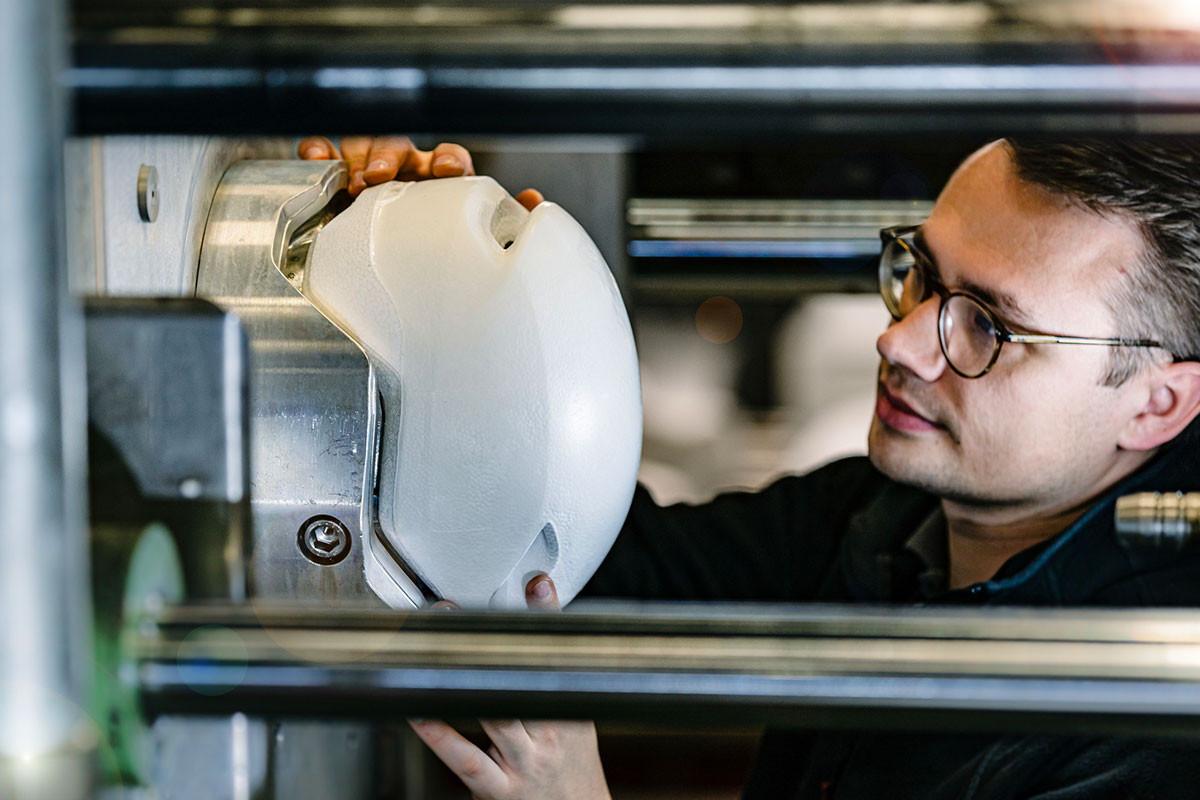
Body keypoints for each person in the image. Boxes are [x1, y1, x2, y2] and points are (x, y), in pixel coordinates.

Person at [301, 135, 1200, 799]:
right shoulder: (896, 514)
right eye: (921, 275)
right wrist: (449, 306)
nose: (898, 341)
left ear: (1159, 402)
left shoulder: (1151, 739)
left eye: (987, 328)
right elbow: (597, 567)